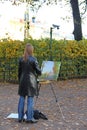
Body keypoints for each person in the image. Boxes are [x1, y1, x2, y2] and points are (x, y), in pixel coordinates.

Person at [18, 43, 41, 123]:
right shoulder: (33, 59)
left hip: (22, 81)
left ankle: (20, 118)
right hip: (31, 82)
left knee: (21, 99)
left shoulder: (21, 59)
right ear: (31, 50)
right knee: (30, 100)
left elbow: (19, 72)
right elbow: (39, 72)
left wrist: (20, 81)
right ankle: (29, 118)